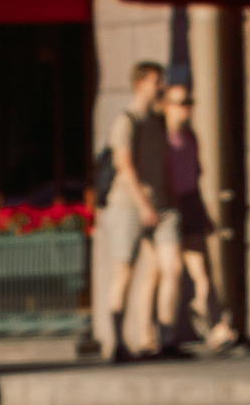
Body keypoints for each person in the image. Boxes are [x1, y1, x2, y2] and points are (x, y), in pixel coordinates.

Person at [92, 59, 167, 366]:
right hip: (127, 204)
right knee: (124, 272)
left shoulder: (155, 120)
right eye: (156, 81)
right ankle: (117, 343)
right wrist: (143, 204)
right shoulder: (127, 120)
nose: (160, 86)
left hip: (152, 204)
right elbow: (124, 163)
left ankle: (149, 338)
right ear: (140, 84)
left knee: (158, 269)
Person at [152, 74, 232, 354]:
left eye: (190, 102)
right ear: (166, 106)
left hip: (190, 203)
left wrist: (204, 212)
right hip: (167, 207)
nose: (186, 108)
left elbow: (195, 176)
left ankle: (216, 326)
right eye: (181, 103)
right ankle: (163, 335)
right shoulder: (159, 137)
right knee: (166, 272)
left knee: (202, 271)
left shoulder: (189, 136)